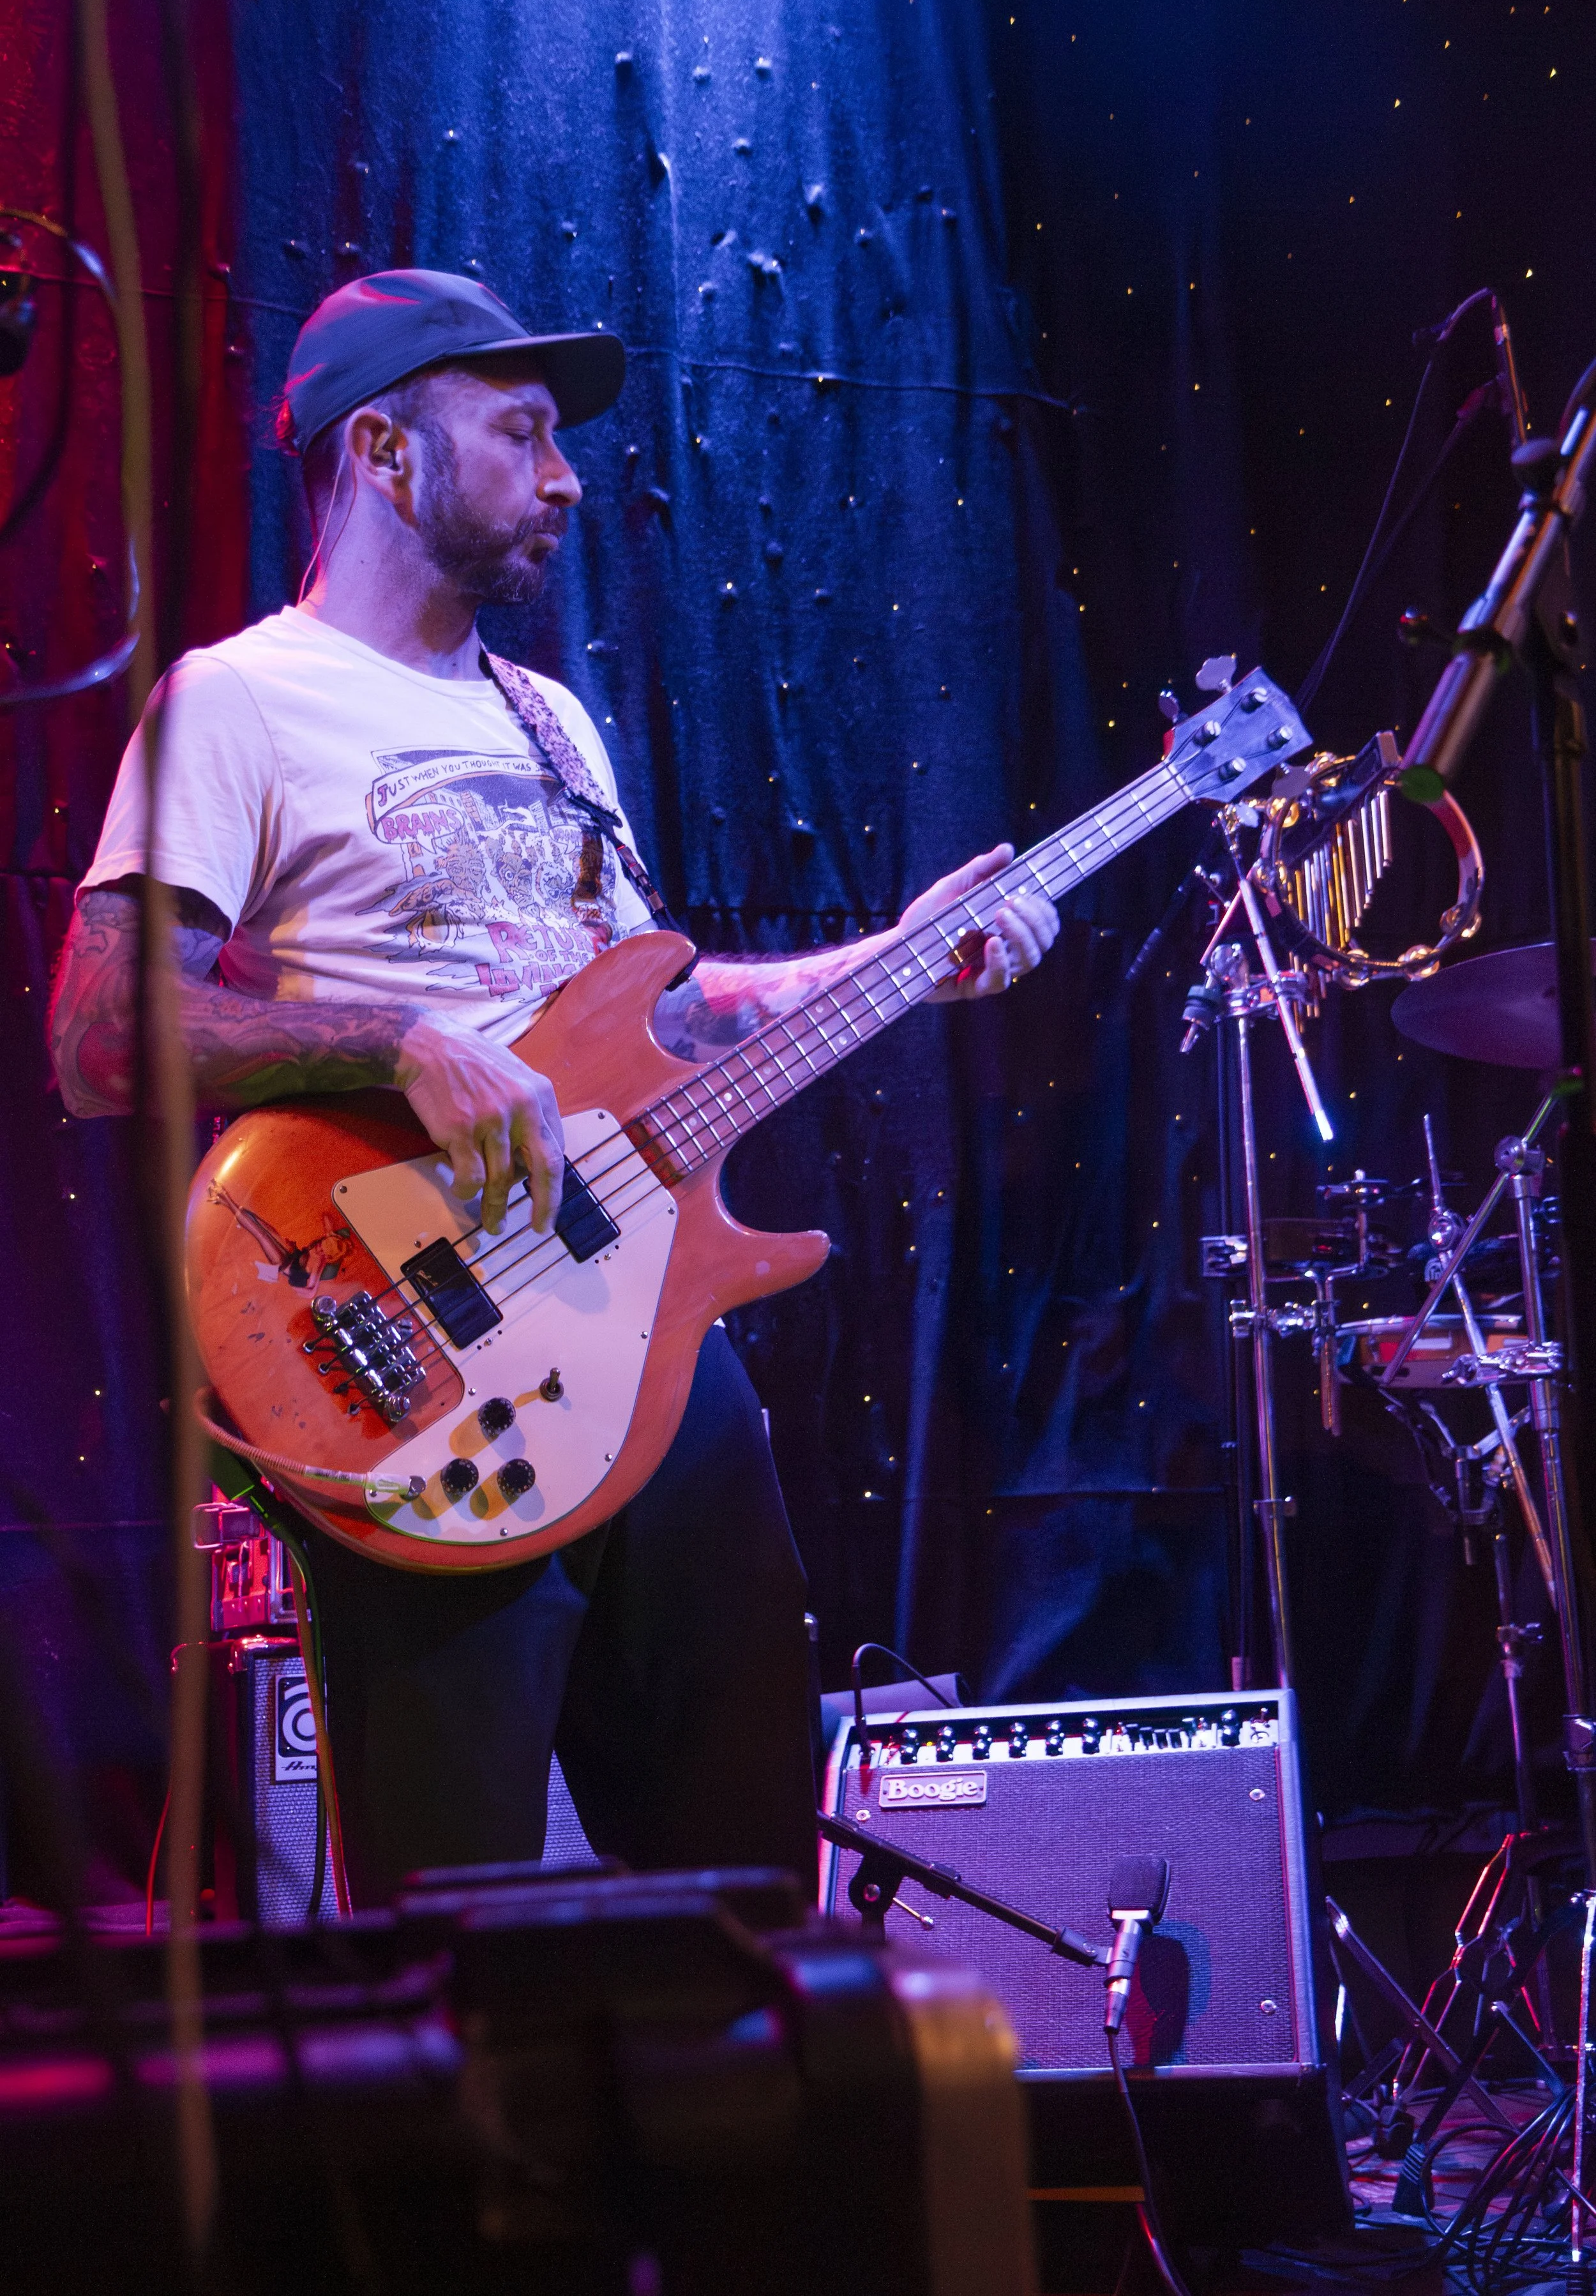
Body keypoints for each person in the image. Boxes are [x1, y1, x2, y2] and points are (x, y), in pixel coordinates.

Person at [47, 269, 1060, 1904]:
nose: (568, 474)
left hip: (648, 1340)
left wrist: (895, 954)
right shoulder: (237, 699)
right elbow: (100, 1032)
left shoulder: (552, 721)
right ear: (380, 450)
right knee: (455, 1923)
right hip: (418, 1347)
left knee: (744, 1890)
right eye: (519, 432)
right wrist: (393, 1043)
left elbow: (669, 1011)